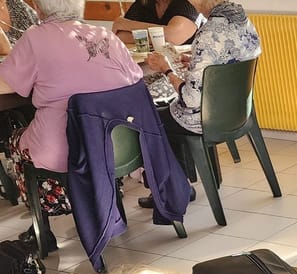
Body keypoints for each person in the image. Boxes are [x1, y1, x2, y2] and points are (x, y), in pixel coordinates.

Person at [0, 0, 142, 244]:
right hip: (117, 143)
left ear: (41, 8)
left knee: (16, 139)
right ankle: (101, 204)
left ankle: (42, 232)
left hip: (66, 149)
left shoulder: (36, 38)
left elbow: (7, 85)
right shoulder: (105, 35)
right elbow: (135, 80)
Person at [139, 0, 260, 208]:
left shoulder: (208, 33)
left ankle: (175, 190)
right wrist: (195, 61)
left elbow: (190, 99)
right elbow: (227, 58)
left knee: (150, 119)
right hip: (238, 112)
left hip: (205, 118)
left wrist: (166, 70)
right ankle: (182, 182)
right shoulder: (242, 20)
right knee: (165, 114)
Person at [111, 0, 202, 47]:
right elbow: (121, 35)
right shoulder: (144, 2)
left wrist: (127, 25)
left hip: (186, 68)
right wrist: (161, 37)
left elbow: (173, 36)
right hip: (152, 65)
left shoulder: (190, 2)